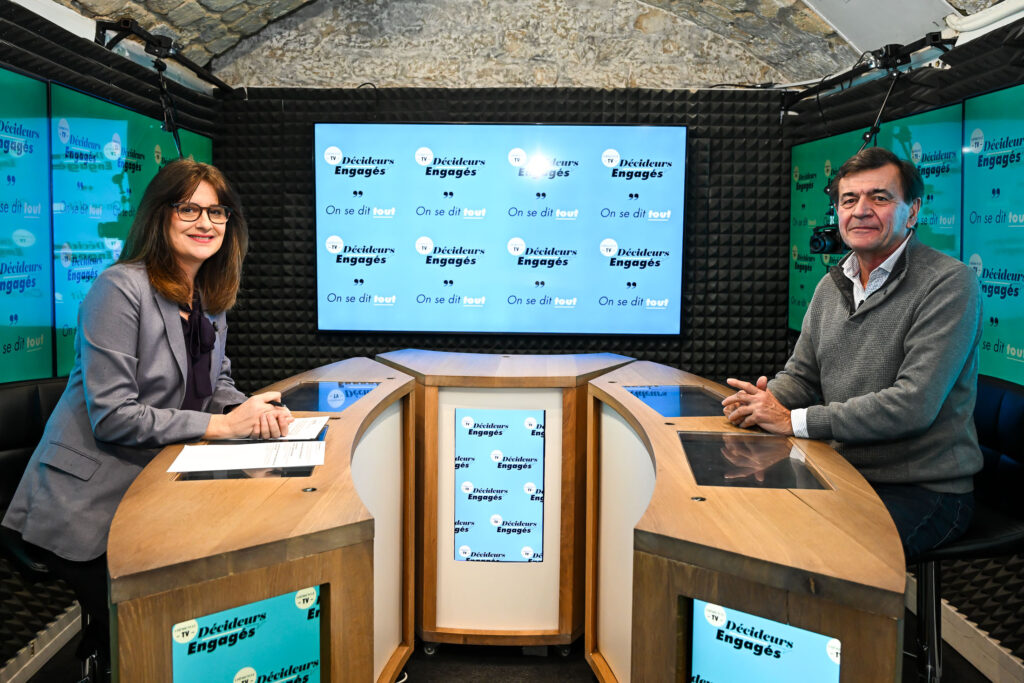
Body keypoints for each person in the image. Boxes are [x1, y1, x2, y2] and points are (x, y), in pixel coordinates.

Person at [2, 159, 292, 675]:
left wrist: (251, 410)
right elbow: (113, 417)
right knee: (158, 625)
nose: (207, 223)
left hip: (155, 488)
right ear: (160, 216)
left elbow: (215, 384)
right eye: (190, 209)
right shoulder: (119, 289)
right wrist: (223, 425)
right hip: (85, 506)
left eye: (218, 212)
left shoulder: (208, 295)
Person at [721, 146, 982, 560]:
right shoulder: (832, 284)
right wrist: (762, 404)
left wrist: (792, 420)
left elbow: (913, 404)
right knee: (745, 519)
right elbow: (802, 376)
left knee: (817, 555)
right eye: (849, 200)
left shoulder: (949, 284)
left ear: (911, 212)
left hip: (923, 490)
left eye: (879, 198)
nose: (861, 210)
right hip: (842, 469)